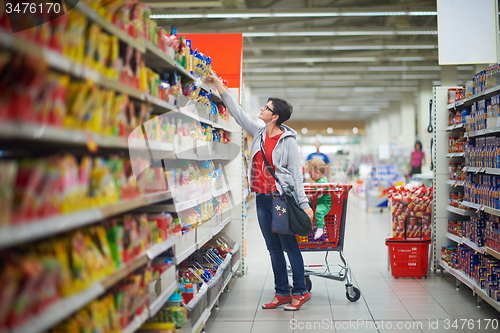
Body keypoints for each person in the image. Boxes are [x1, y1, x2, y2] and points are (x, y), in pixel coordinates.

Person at [205, 72, 314, 311]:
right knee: (273, 247)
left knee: (288, 246)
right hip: (262, 199)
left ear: (275, 116)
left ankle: (301, 290)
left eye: (267, 107)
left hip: (280, 199)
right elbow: (237, 113)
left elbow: (296, 174)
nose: (262, 109)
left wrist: (304, 204)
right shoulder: (259, 132)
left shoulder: (288, 141)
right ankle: (282, 292)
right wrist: (219, 87)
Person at [305, 158, 332, 240]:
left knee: (319, 211)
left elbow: (319, 194)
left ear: (318, 172)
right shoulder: (318, 182)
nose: (310, 177)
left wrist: (311, 196)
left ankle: (320, 228)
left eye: (311, 175)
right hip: (319, 202)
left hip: (325, 203)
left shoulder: (323, 182)